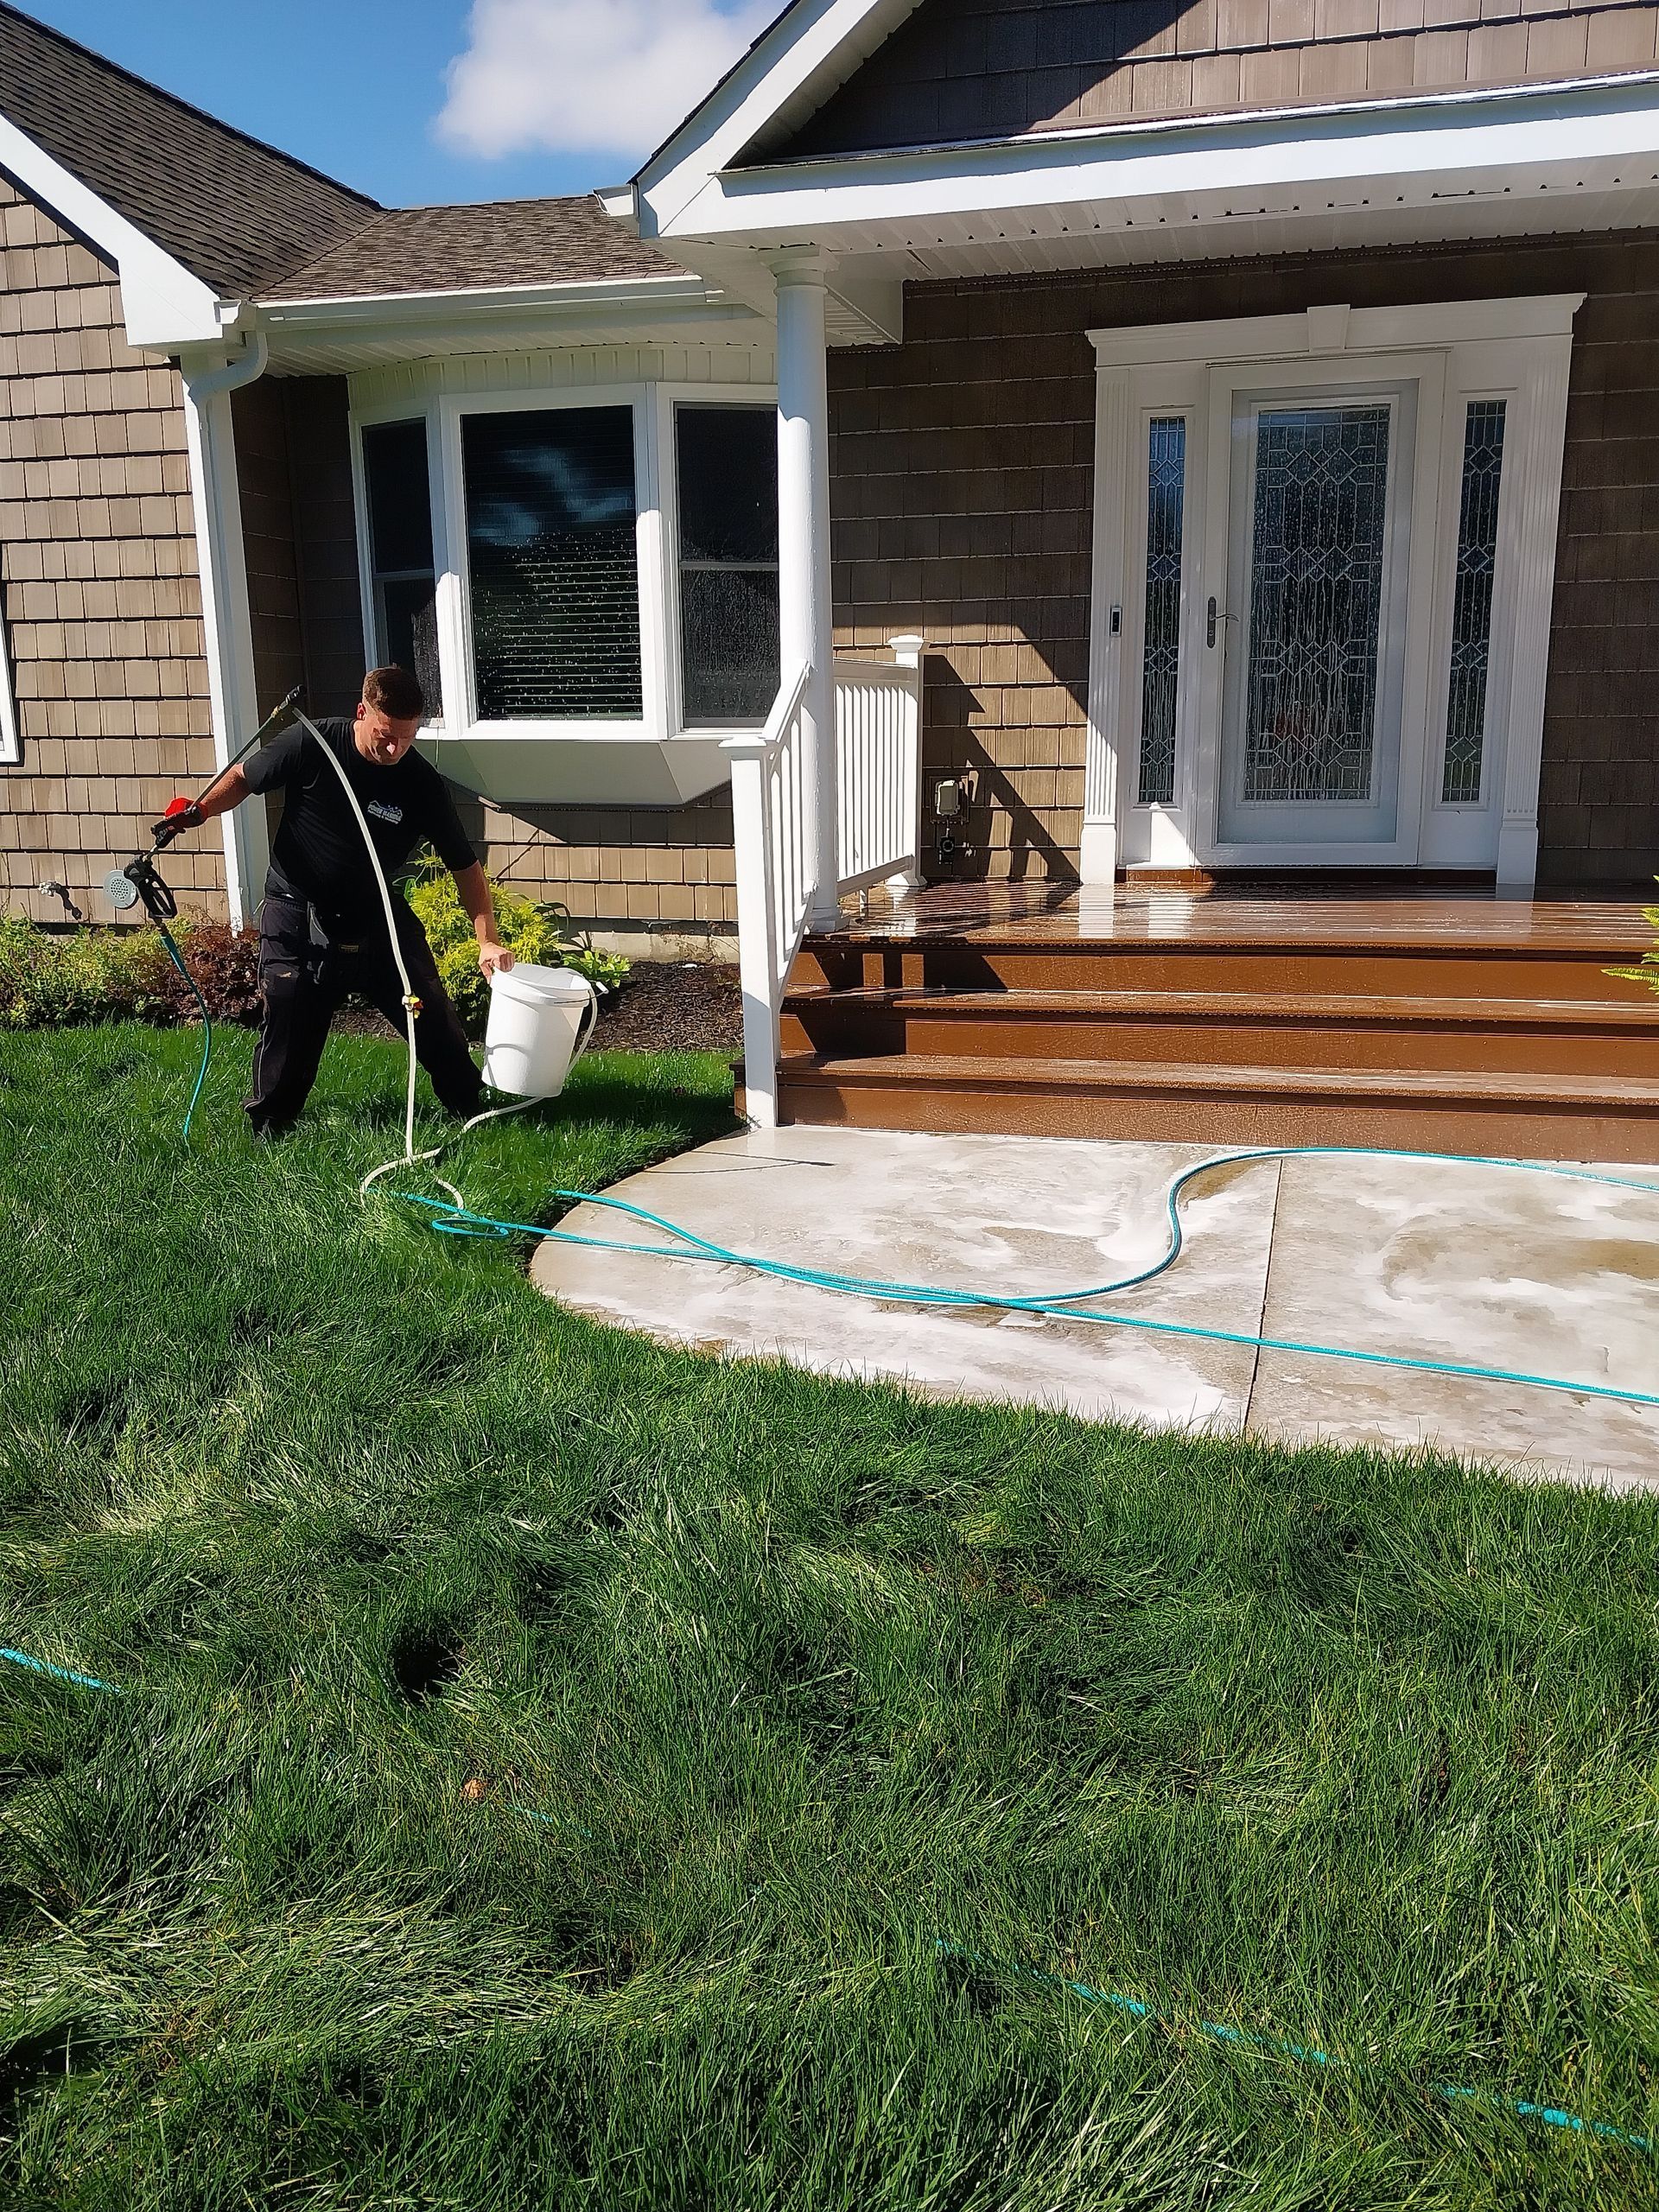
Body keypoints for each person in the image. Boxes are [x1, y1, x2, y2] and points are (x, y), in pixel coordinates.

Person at [154, 664, 512, 1138]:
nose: (395, 750)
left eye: (407, 739)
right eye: (386, 736)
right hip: (297, 903)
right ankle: (270, 1127)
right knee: (291, 1011)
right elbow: (244, 776)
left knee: (431, 1013)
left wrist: (487, 940)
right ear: (362, 712)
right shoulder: (312, 744)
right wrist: (200, 810)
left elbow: (465, 867)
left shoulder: (421, 783)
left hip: (376, 908)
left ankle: (472, 1107)